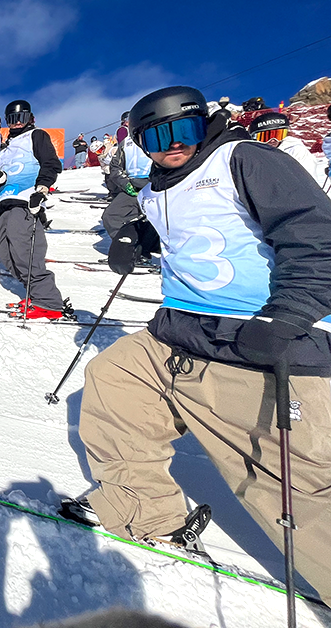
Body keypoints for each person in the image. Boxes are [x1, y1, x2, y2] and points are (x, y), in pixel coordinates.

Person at [64, 85, 331, 605]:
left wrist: (286, 317)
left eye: (181, 130)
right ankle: (147, 509)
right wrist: (138, 239)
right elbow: (187, 229)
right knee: (114, 378)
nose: (172, 145)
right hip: (180, 332)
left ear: (202, 124)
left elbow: (317, 238)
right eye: (155, 137)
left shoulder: (245, 160)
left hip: (256, 340)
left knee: (282, 480)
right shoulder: (157, 187)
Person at [0, 100, 68, 319]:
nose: (16, 124)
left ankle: (49, 302)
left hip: (25, 201)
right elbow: (0, 178)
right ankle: (35, 294)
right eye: (12, 119)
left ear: (30, 118)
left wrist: (41, 190)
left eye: (21, 118)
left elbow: (51, 164)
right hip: (3, 203)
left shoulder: (37, 135)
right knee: (6, 255)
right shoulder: (6, 148)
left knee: (26, 253)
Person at [100, 122, 154, 239]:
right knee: (111, 217)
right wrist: (126, 184)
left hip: (154, 186)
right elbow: (115, 167)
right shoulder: (126, 142)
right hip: (132, 187)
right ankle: (126, 248)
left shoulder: (156, 136)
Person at [247, 112, 326, 187]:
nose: (273, 140)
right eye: (266, 137)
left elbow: (309, 180)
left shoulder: (295, 151)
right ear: (254, 138)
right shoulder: (251, 153)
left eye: (278, 135)